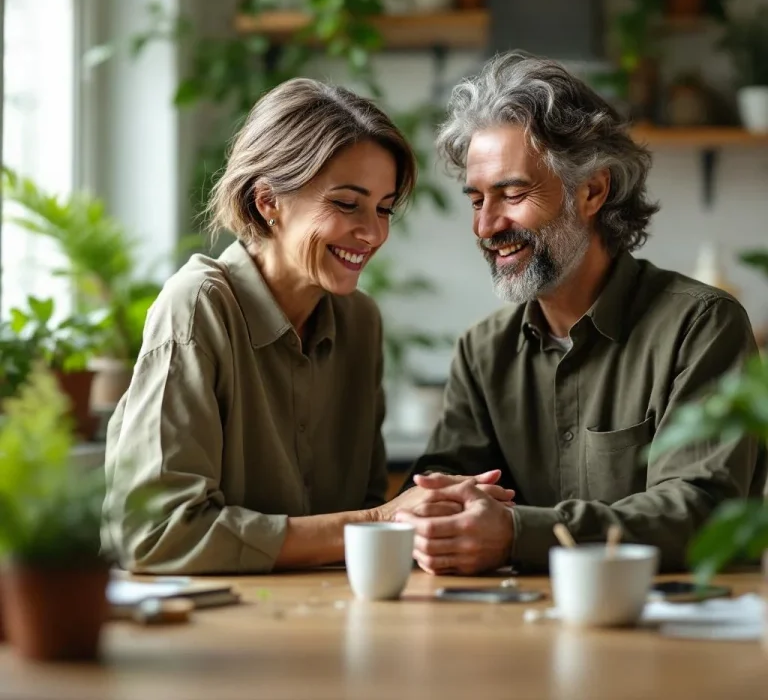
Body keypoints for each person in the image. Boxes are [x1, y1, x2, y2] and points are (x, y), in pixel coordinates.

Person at [102, 78, 515, 574]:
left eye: (384, 208)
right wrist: (381, 519)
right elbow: (154, 534)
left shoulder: (360, 323)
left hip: (327, 616)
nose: (374, 232)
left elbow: (354, 513)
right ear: (267, 201)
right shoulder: (197, 307)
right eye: (347, 203)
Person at [396, 52, 767, 575]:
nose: (486, 226)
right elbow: (444, 493)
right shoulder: (483, 351)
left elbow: (700, 511)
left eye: (513, 193)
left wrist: (518, 534)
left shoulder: (701, 327)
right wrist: (437, 518)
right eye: (477, 199)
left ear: (592, 190)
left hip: (675, 637)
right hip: (513, 632)